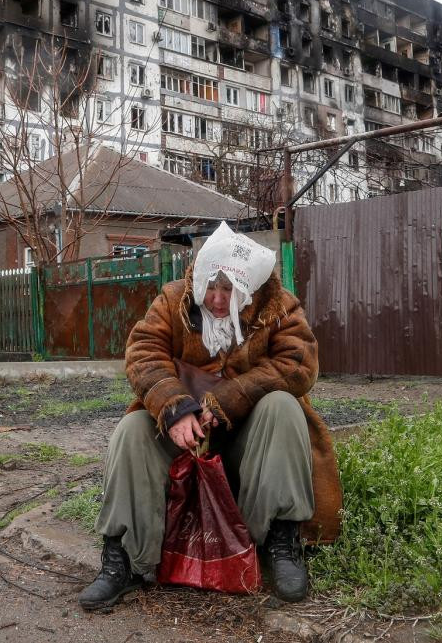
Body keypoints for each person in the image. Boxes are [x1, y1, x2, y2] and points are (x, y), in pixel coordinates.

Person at [79, 224, 342, 610]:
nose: (218, 300)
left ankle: (279, 543)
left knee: (284, 408)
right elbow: (143, 353)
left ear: (249, 287)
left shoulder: (278, 306)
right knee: (131, 431)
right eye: (212, 288)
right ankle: (125, 560)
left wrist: (227, 399)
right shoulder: (172, 300)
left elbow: (299, 364)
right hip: (184, 440)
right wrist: (175, 408)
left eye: (230, 290)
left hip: (248, 442)